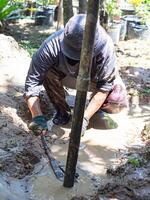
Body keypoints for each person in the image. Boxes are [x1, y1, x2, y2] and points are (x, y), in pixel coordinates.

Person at [24, 14, 128, 135]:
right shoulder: (51, 46)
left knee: (117, 100)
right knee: (47, 72)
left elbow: (104, 87)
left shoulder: (105, 47)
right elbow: (32, 84)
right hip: (67, 77)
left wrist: (84, 119)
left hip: (93, 80)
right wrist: (37, 117)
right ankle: (63, 111)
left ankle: (93, 110)